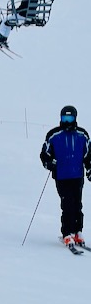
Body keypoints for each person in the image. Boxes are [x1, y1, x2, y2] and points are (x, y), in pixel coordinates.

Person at [40, 105, 91, 247]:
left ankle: (77, 232)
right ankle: (67, 233)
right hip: (62, 176)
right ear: (61, 118)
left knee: (77, 204)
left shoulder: (82, 135)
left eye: (70, 118)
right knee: (67, 204)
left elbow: (88, 155)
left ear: (75, 118)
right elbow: (44, 154)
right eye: (65, 118)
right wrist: (49, 163)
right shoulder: (54, 135)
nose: (67, 121)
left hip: (77, 175)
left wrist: (89, 169)